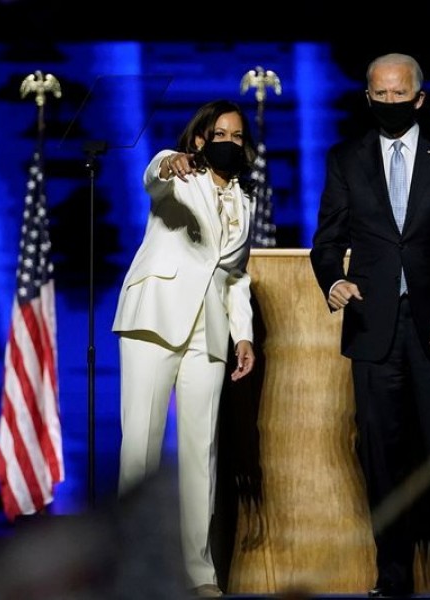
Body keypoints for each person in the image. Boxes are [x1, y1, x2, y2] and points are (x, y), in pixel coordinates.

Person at [310, 52, 430, 598]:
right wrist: (332, 282)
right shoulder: (346, 158)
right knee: (383, 461)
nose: (389, 103)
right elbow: (327, 241)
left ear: (419, 97)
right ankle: (392, 580)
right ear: (368, 97)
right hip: (373, 327)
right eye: (379, 95)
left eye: (398, 94)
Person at [112, 99, 258, 598]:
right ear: (199, 140)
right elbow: (154, 175)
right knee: (141, 446)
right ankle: (132, 565)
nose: (229, 143)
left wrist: (244, 335)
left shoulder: (246, 202)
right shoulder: (175, 173)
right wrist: (169, 161)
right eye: (220, 134)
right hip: (155, 315)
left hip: (209, 329)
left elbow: (236, 275)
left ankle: (199, 573)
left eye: (238, 137)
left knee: (203, 451)